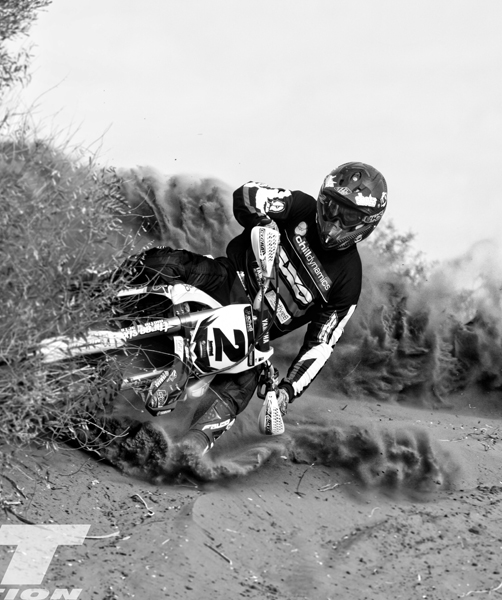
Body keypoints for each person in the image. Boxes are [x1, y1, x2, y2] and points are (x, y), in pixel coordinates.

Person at [123, 162, 388, 454]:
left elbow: (320, 345)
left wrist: (288, 390)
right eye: (331, 206)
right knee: (169, 263)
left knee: (247, 379)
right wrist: (263, 221)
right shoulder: (300, 206)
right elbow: (249, 194)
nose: (335, 219)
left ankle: (190, 449)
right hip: (225, 280)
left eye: (348, 214)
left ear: (366, 223)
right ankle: (97, 297)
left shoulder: (349, 280)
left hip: (254, 335)